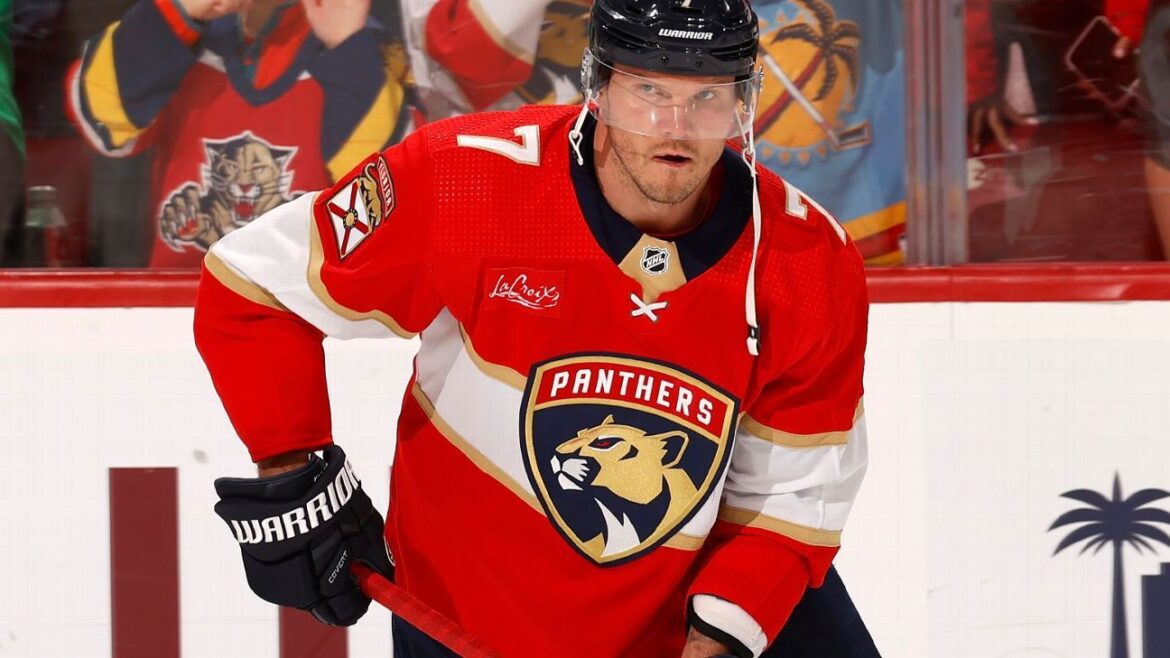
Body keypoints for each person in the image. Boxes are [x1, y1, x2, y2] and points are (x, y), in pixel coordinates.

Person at [195, 1, 875, 656]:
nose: (676, 126)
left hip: (690, 613)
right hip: (465, 619)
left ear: (742, 102)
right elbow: (253, 283)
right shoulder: (464, 178)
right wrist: (292, 471)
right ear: (598, 87)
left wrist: (718, 640)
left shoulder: (807, 260)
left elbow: (792, 494)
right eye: (649, 90)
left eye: (708, 96)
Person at [66, 0, 419, 267]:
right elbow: (102, 122)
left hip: (303, 310)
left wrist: (349, 49)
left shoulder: (367, 48)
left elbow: (381, 199)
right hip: (175, 306)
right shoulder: (179, 30)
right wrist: (177, 13)